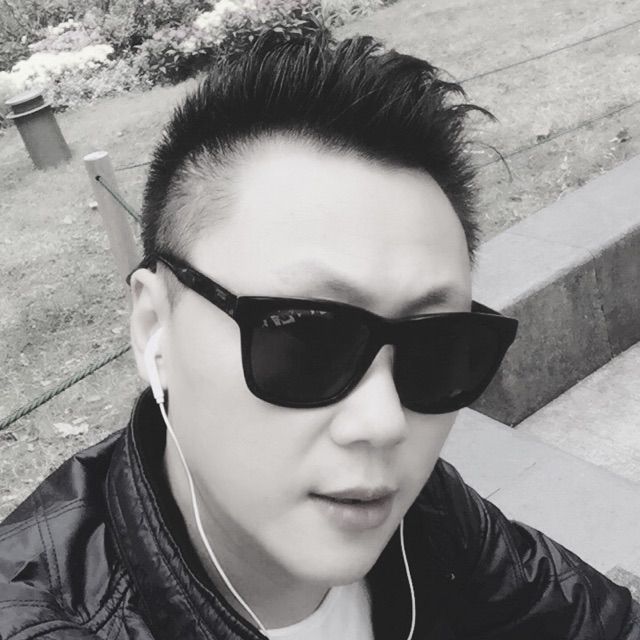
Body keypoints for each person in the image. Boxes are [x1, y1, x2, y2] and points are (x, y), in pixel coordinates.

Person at [0, 24, 638, 640]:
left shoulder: (429, 520)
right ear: (152, 329)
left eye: (438, 350)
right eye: (306, 342)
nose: (383, 423)